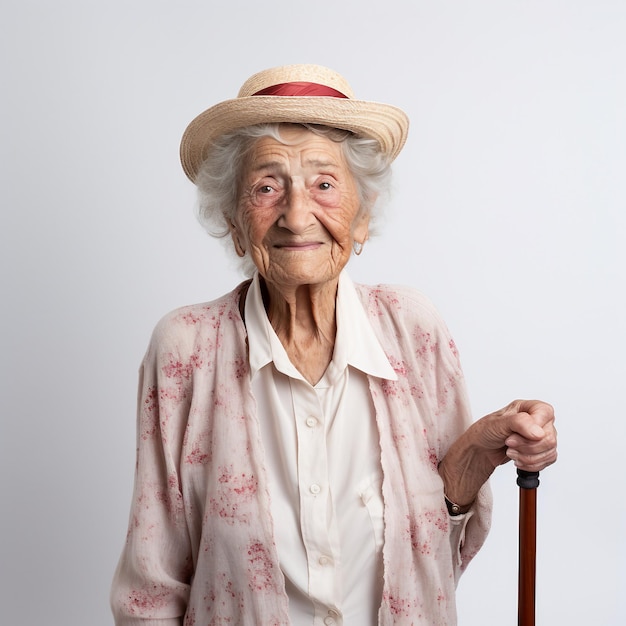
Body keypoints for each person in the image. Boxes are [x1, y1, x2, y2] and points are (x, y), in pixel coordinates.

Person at [110, 64, 557, 626]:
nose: (297, 215)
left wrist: (473, 455)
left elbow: (431, 560)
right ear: (233, 219)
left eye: (324, 184)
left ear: (363, 216)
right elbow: (151, 591)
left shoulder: (412, 329)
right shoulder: (186, 350)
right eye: (267, 186)